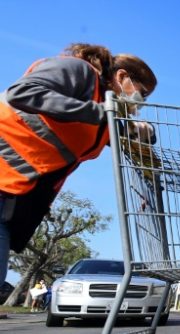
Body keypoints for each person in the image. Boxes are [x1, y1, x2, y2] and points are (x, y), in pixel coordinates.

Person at [0, 43, 157, 286]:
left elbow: (114, 132)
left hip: (15, 190)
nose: (141, 102)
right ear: (122, 76)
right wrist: (99, 111)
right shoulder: (78, 71)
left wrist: (139, 131)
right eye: (142, 93)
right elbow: (20, 93)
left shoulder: (101, 109)